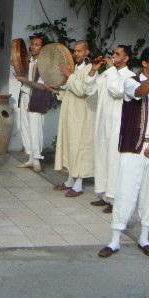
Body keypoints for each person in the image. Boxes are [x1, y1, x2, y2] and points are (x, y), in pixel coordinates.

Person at [99, 47, 149, 259]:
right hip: (134, 147)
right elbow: (141, 92)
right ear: (144, 63)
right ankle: (114, 241)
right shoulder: (131, 81)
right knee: (125, 192)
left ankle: (144, 238)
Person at [84, 45, 136, 213]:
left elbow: (117, 91)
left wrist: (112, 69)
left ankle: (114, 200)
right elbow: (89, 89)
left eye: (117, 54)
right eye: (113, 53)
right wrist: (94, 70)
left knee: (114, 161)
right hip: (102, 121)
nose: (113, 56)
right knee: (102, 157)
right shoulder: (107, 73)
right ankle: (103, 194)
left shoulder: (130, 76)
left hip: (117, 124)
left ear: (126, 58)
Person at [53, 41, 97, 197]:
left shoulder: (91, 69)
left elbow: (81, 90)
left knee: (79, 147)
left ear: (86, 52)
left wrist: (68, 75)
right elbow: (70, 87)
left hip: (82, 115)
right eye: (74, 51)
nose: (76, 54)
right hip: (70, 112)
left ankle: (79, 184)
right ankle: (70, 179)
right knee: (69, 145)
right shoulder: (76, 68)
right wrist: (58, 86)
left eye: (79, 51)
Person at [15, 36, 53, 173]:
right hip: (24, 96)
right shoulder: (28, 61)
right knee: (25, 128)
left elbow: (42, 86)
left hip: (36, 99)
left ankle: (37, 160)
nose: (34, 47)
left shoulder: (45, 64)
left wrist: (24, 80)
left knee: (35, 128)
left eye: (37, 45)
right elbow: (24, 78)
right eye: (32, 44)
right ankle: (30, 158)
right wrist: (16, 67)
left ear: (43, 48)